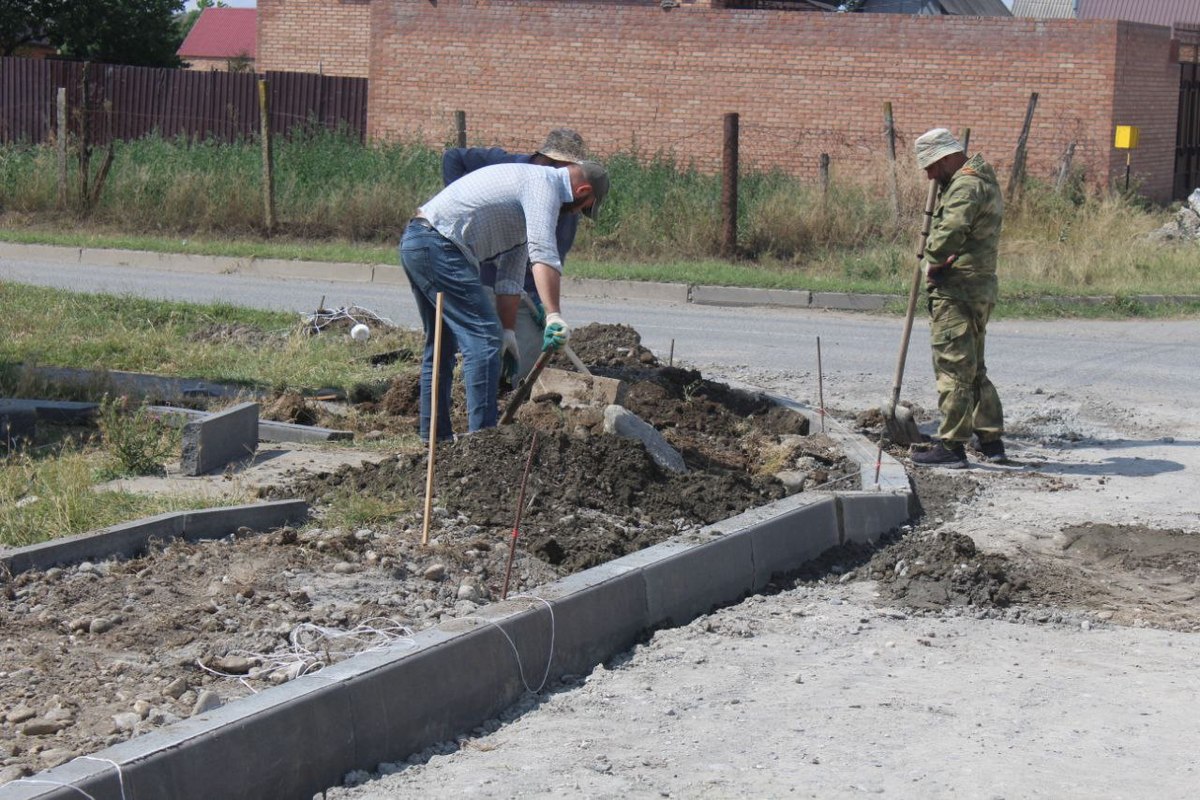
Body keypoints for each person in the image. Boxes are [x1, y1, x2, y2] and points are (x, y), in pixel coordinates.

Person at [399, 159, 610, 441]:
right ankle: (483, 444)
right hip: (439, 245)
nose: (577, 214)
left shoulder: (527, 200)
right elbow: (543, 252)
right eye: (583, 207)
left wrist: (508, 332)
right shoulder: (543, 185)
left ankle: (435, 439)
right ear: (582, 190)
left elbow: (510, 276)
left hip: (421, 242)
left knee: (442, 344)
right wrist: (554, 315)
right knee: (485, 339)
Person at [441, 128, 590, 383]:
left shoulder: (566, 208)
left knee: (528, 353)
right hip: (477, 271)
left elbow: (548, 259)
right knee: (483, 339)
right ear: (545, 160)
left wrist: (543, 304)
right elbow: (452, 157)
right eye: (562, 168)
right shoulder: (504, 163)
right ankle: (468, 381)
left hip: (516, 283)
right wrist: (466, 212)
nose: (566, 178)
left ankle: (507, 391)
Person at [910, 127, 1006, 468]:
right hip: (978, 286)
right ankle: (991, 440)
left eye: (933, 165)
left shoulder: (965, 186)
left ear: (949, 157)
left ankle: (952, 447)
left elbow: (950, 232)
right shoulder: (980, 178)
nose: (929, 174)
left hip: (958, 289)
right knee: (974, 367)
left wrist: (933, 261)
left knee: (953, 367)